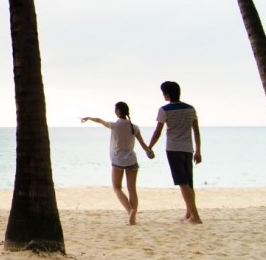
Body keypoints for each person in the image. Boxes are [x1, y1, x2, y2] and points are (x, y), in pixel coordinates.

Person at [82, 101, 154, 225]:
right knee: (132, 189)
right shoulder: (134, 127)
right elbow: (143, 145)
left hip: (118, 160)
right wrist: (149, 152)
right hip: (132, 160)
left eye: (115, 110)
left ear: (119, 111)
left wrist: (88, 118)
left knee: (117, 188)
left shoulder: (114, 125)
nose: (114, 111)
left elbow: (100, 120)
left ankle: (130, 210)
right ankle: (133, 217)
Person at [147, 80, 202, 224]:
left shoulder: (164, 110)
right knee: (189, 183)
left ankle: (195, 216)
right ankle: (189, 214)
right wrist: (198, 150)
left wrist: (150, 146)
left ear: (167, 94)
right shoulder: (191, 109)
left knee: (182, 183)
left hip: (173, 148)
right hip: (188, 148)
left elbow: (158, 131)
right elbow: (196, 131)